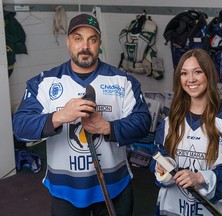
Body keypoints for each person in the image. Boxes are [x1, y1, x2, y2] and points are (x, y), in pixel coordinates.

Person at [13, 13, 152, 216]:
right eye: (78, 38)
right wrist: (60, 116)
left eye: (92, 39)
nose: (85, 46)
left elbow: (143, 123)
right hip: (66, 190)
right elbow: (20, 127)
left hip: (115, 188)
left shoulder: (123, 81)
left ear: (99, 43)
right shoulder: (44, 82)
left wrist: (108, 128)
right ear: (68, 42)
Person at [151, 48, 222, 216]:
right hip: (171, 208)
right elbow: (158, 154)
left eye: (197, 72)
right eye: (184, 73)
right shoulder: (171, 120)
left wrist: (201, 178)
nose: (190, 79)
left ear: (209, 74)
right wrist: (164, 167)